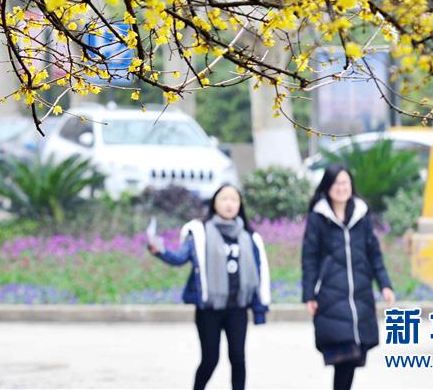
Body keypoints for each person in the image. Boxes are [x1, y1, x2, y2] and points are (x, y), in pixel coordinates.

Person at [148, 184, 271, 390]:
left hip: (237, 308)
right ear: (214, 202)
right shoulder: (200, 232)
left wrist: (259, 310)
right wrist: (159, 250)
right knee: (209, 360)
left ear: (240, 204)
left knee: (238, 359)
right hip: (209, 310)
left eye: (234, 199)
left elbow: (260, 274)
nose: (229, 203)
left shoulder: (250, 237)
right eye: (224, 199)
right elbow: (180, 257)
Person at [301, 164, 395, 390]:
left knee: (354, 356)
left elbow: (374, 253)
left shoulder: (361, 216)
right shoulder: (318, 218)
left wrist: (385, 284)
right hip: (331, 295)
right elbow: (309, 258)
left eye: (345, 182)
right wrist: (309, 295)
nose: (341, 188)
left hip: (359, 295)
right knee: (343, 355)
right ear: (327, 187)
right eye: (336, 183)